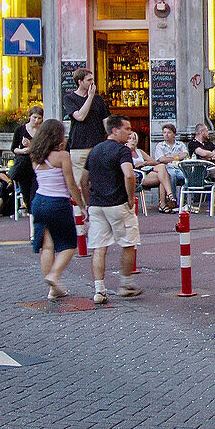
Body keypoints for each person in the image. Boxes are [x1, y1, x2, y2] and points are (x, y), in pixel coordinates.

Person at [81, 114, 142, 304]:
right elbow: (129, 175)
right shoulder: (122, 151)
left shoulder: (94, 151)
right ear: (115, 130)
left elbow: (83, 180)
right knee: (128, 243)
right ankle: (125, 284)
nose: (130, 132)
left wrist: (88, 200)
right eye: (127, 128)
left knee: (99, 248)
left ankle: (99, 290)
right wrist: (130, 196)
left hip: (97, 205)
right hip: (117, 203)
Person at [27, 119, 86, 300]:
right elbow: (70, 184)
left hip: (38, 202)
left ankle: (53, 289)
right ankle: (54, 275)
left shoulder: (35, 157)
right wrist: (81, 205)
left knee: (47, 245)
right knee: (68, 245)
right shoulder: (62, 156)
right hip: (57, 203)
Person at [62, 67, 111, 184]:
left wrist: (110, 138)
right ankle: (82, 203)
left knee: (99, 181)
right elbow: (80, 116)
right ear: (80, 82)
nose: (92, 83)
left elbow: (106, 120)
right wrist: (90, 97)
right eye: (89, 80)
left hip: (97, 145)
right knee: (80, 182)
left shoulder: (98, 99)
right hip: (79, 146)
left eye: (92, 80)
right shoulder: (69, 98)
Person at [126, 131, 177, 213]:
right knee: (164, 176)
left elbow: (154, 161)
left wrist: (144, 163)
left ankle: (166, 200)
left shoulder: (139, 151)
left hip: (146, 171)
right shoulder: (124, 152)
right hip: (138, 176)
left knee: (162, 168)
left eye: (134, 139)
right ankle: (167, 199)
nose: (133, 141)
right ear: (126, 140)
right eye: (130, 139)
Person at [10, 105, 43, 211]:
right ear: (29, 117)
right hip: (24, 165)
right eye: (34, 117)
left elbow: (43, 148)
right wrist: (22, 151)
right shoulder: (20, 130)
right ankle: (31, 215)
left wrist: (30, 146)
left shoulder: (42, 131)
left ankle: (34, 216)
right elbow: (13, 148)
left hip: (37, 164)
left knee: (35, 192)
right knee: (26, 193)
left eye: (39, 118)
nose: (36, 120)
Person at [154, 123, 188, 192]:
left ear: (174, 134)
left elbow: (185, 154)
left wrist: (169, 156)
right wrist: (177, 155)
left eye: (169, 133)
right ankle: (172, 199)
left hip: (180, 167)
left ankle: (186, 200)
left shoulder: (180, 144)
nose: (166, 135)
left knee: (187, 176)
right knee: (172, 176)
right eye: (164, 132)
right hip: (167, 168)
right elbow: (162, 159)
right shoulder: (160, 146)